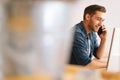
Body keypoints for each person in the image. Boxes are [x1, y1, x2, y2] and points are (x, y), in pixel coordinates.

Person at [69, 4, 107, 69]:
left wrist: (103, 39)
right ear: (88, 17)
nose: (101, 24)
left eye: (102, 20)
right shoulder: (77, 34)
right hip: (71, 74)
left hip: (81, 72)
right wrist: (109, 64)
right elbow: (87, 64)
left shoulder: (91, 32)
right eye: (98, 19)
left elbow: (98, 55)